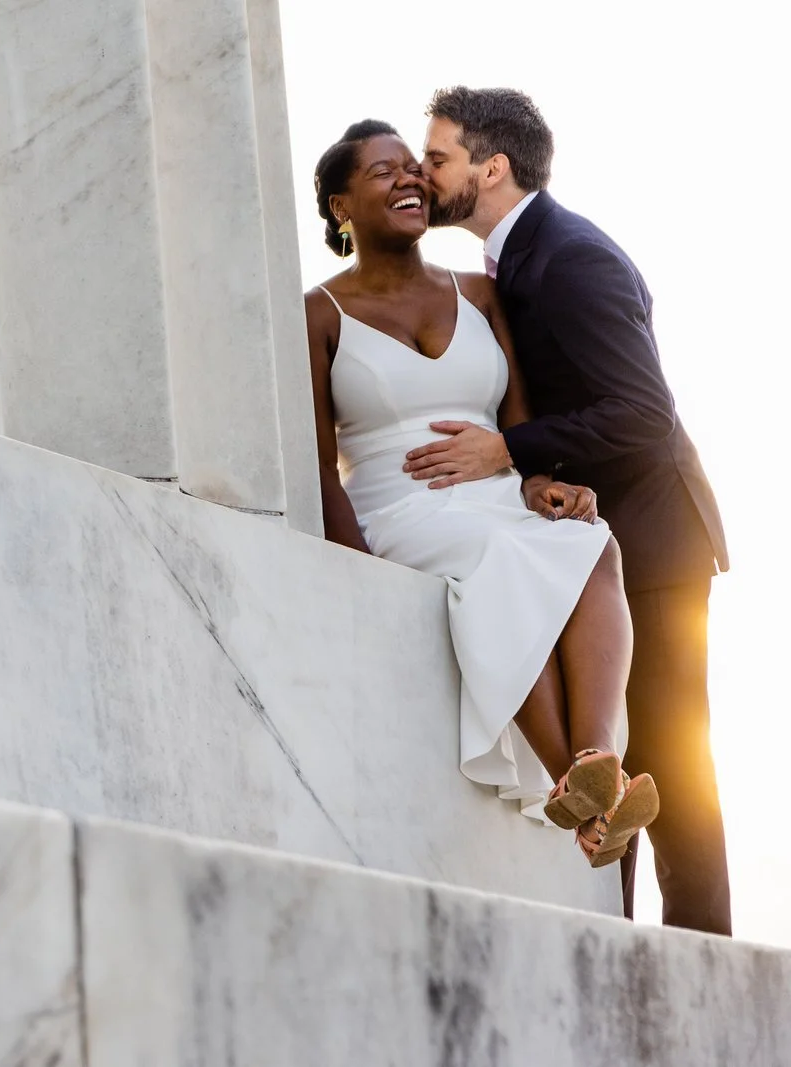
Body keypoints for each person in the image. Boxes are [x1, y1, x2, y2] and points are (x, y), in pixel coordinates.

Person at [410, 87, 731, 936]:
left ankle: (708, 969)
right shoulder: (512, 262)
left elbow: (641, 413)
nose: (422, 169)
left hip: (655, 545)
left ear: (492, 167)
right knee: (614, 763)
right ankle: (618, 950)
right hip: (578, 544)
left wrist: (506, 453)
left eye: (437, 156)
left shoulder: (573, 257)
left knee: (673, 764)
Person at [304, 119, 659, 869]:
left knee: (589, 539)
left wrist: (541, 483)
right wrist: (351, 563)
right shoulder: (319, 313)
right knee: (496, 553)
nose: (409, 179)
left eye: (414, 167)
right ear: (341, 206)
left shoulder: (480, 292)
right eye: (383, 172)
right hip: (400, 508)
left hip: (496, 489)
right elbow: (315, 458)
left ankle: (596, 763)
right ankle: (577, 784)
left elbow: (516, 416)